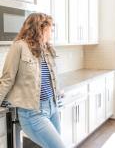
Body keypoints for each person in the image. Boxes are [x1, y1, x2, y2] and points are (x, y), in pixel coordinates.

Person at [0, 13, 66, 148]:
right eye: (50, 29)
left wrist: (57, 91)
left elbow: (47, 77)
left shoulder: (46, 48)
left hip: (53, 107)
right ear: (40, 28)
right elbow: (7, 79)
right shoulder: (19, 47)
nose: (52, 32)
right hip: (33, 113)